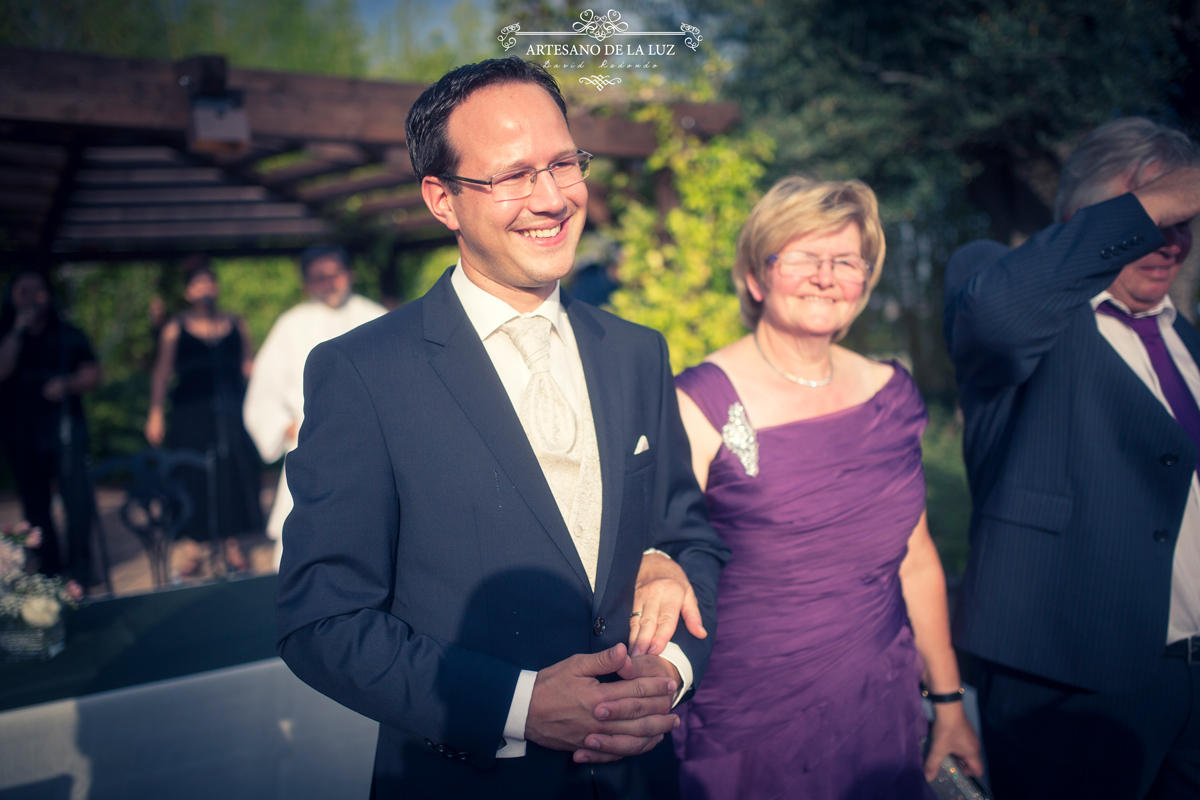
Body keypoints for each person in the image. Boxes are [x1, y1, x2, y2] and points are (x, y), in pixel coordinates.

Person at [274, 58, 729, 799]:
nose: (551, 199)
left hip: (640, 780)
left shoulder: (637, 351)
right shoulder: (362, 373)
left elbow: (690, 536)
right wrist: (518, 707)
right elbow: (321, 621)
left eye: (562, 164)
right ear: (443, 200)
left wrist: (670, 671)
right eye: (513, 176)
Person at [640, 176, 981, 799]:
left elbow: (917, 560)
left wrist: (950, 702)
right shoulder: (697, 403)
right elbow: (654, 563)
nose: (826, 276)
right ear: (755, 276)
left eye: (846, 261)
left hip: (882, 705)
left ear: (864, 281)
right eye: (802, 257)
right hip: (747, 723)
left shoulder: (892, 393)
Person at [944, 116, 1200, 798]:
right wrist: (1158, 201)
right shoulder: (1000, 289)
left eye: (1184, 217)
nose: (1167, 238)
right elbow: (998, 314)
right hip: (1065, 676)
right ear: (1072, 219)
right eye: (1149, 214)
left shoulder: (1188, 343)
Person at [242, 245, 385, 570]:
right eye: (318, 278)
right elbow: (262, 394)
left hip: (369, 450)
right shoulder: (290, 326)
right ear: (307, 283)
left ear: (349, 274)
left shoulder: (378, 318)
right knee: (304, 555)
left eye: (334, 274)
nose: (328, 283)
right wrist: (286, 427)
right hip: (311, 450)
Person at [145, 258, 263, 576]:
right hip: (190, 412)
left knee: (230, 471)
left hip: (230, 408)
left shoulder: (236, 323)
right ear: (187, 292)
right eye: (198, 283)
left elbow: (249, 366)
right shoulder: (175, 327)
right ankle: (193, 547)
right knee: (192, 473)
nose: (205, 288)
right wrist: (155, 413)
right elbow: (162, 373)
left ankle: (232, 542)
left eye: (210, 281)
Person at [0, 271, 101, 585]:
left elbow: (94, 374)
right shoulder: (7, 334)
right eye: (23, 291)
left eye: (37, 290)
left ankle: (81, 573)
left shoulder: (68, 334)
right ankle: (49, 573)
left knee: (78, 503)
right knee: (36, 507)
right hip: (23, 435)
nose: (31, 297)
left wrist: (67, 384)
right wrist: (18, 329)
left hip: (67, 431)